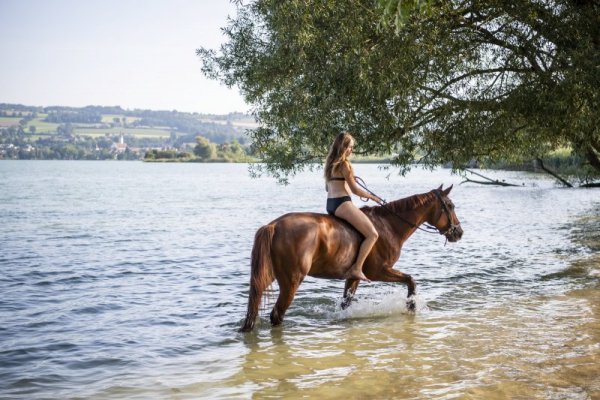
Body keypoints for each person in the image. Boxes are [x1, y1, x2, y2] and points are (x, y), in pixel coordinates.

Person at [324, 132, 383, 282]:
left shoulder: (330, 163)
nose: (352, 150)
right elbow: (355, 190)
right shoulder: (345, 164)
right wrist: (372, 197)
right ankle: (357, 268)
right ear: (344, 147)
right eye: (350, 147)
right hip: (342, 203)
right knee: (372, 235)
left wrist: (347, 180)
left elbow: (328, 188)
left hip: (330, 204)